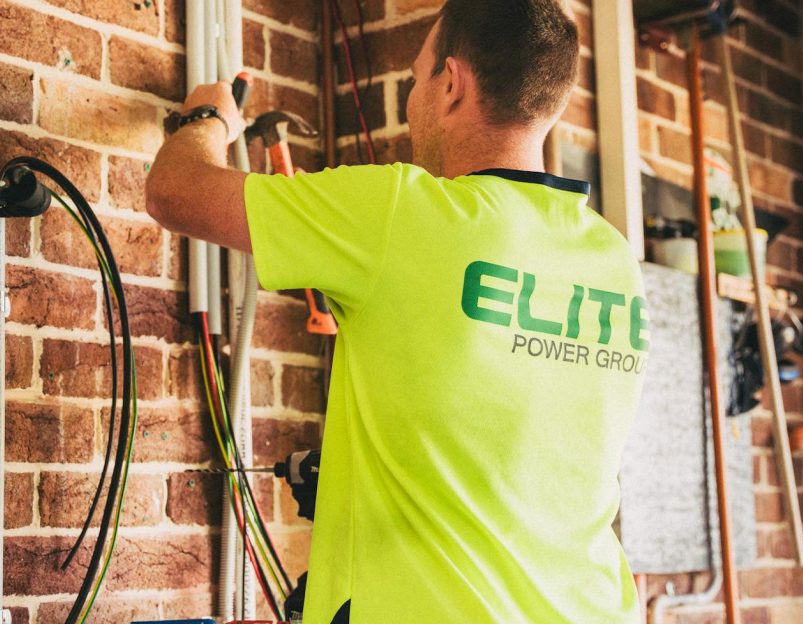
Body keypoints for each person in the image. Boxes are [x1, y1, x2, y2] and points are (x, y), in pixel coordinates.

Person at [145, 0, 648, 621]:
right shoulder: (612, 258)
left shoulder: (401, 215)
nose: (413, 100)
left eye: (415, 80)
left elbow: (177, 192)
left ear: (452, 83)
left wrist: (207, 118)